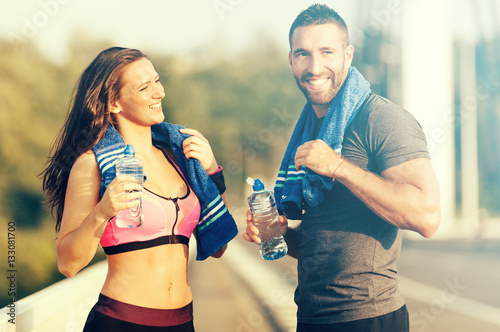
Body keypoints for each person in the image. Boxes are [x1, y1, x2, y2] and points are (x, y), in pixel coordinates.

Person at [244, 4, 440, 332]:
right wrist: (278, 236)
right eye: (303, 54)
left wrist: (338, 166)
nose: (315, 66)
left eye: (327, 52)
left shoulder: (381, 119)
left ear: (348, 55)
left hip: (368, 317)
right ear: (291, 60)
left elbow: (427, 216)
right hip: (312, 317)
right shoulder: (311, 131)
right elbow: (323, 245)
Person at [41, 47, 238, 331]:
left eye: (157, 80)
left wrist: (212, 170)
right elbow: (68, 264)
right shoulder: (92, 164)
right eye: (145, 87)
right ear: (114, 104)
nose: (160, 93)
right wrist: (102, 212)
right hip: (122, 322)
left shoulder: (180, 157)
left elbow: (218, 245)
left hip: (184, 322)